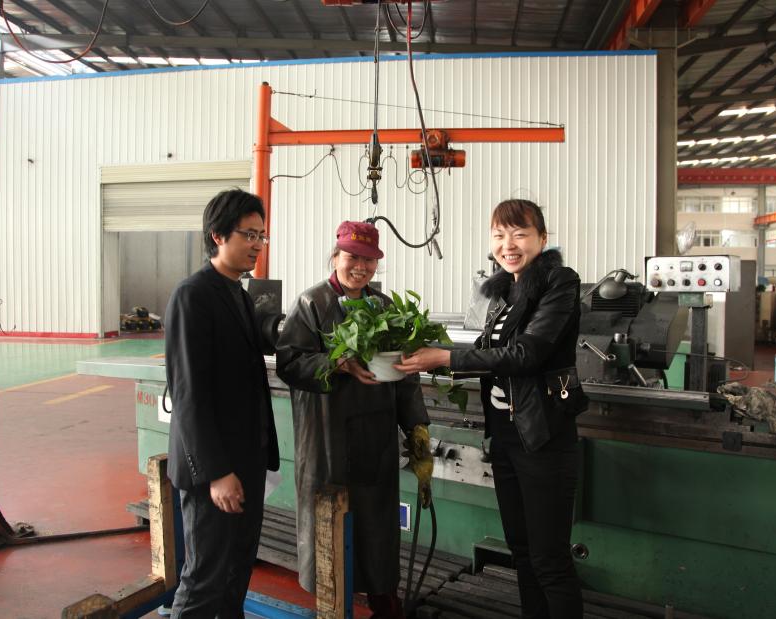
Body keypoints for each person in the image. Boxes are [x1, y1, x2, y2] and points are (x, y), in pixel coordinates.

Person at [395, 199, 588, 619]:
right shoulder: (503, 292)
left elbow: (527, 354)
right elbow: (489, 351)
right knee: (522, 551)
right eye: (499, 235)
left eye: (519, 234)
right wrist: (420, 354)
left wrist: (444, 358)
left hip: (542, 437)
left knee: (549, 559)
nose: (508, 245)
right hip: (505, 435)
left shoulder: (559, 282)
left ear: (542, 238)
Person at [276, 221, 431, 619]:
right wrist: (336, 363)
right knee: (330, 520)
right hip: (327, 437)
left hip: (376, 436)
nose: (360, 267)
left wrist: (416, 426)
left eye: (369, 260)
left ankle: (384, 601)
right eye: (352, 257)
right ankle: (333, 602)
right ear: (335, 256)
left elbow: (406, 373)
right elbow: (289, 363)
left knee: (377, 524)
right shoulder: (312, 304)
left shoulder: (385, 308)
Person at [164, 189, 280, 618]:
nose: (257, 244)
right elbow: (189, 395)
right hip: (215, 471)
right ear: (217, 235)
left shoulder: (239, 293)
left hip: (247, 461)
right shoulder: (192, 295)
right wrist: (216, 473)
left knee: (236, 572)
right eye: (249, 234)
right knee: (204, 579)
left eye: (261, 235)